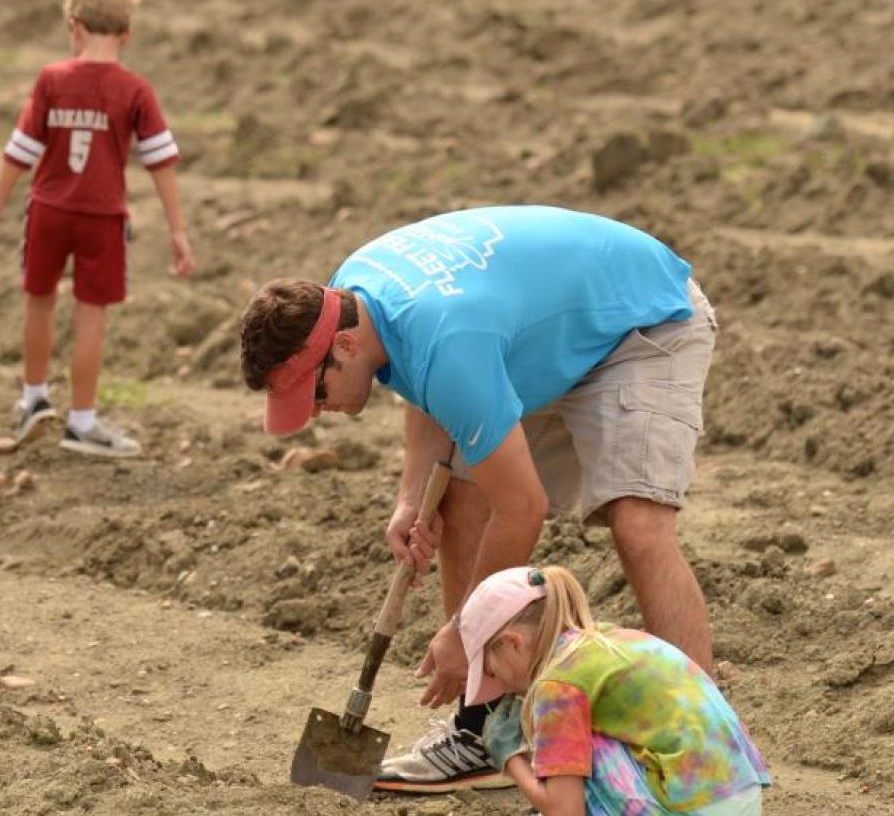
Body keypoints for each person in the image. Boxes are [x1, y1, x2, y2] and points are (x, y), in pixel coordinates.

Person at [237, 205, 719, 792]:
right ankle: (485, 727)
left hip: (642, 321)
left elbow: (524, 507)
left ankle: (702, 744)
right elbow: (420, 378)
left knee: (638, 524)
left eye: (315, 391)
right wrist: (411, 497)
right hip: (537, 336)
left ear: (342, 343)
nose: (314, 411)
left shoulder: (449, 340)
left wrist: (467, 632)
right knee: (458, 498)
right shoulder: (355, 294)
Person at [0, 0, 195, 458]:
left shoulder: (52, 80)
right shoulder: (136, 91)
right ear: (126, 36)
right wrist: (177, 231)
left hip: (48, 209)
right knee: (91, 315)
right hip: (102, 217)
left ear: (74, 27)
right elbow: (160, 164)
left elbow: (19, 153)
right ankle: (81, 421)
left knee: (38, 301)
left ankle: (33, 399)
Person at [464, 565, 769, 814]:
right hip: (739, 791)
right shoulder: (613, 640)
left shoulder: (557, 683)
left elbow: (564, 812)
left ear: (512, 643)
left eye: (492, 671)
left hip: (697, 806)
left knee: (576, 752)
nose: (500, 684)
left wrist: (510, 758)